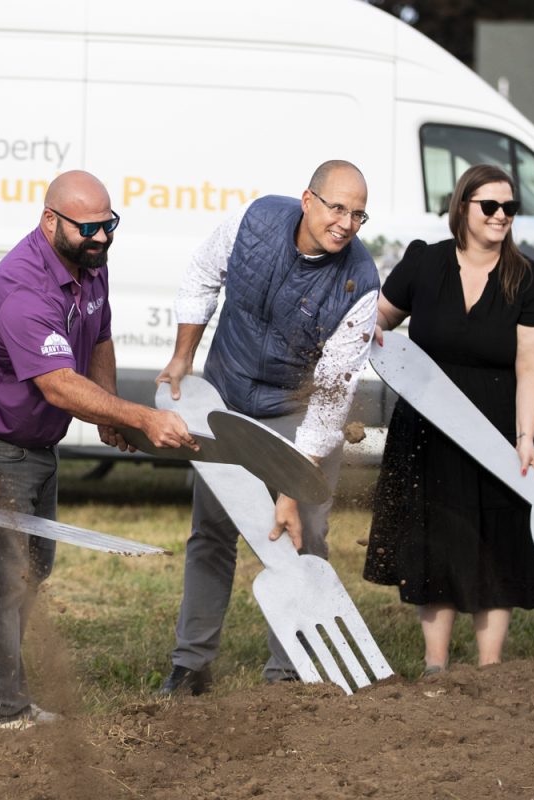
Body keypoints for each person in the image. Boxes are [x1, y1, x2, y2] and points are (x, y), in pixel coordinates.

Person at [0, 170, 195, 735]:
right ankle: (3, 714)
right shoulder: (23, 289)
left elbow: (99, 334)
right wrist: (141, 416)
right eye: (89, 228)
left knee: (32, 568)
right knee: (0, 577)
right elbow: (57, 384)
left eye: (109, 225)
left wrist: (107, 409)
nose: (102, 238)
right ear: (50, 220)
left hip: (35, 443)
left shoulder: (88, 266)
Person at [155, 160, 380, 695]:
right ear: (308, 200)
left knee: (302, 535)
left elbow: (330, 395)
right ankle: (191, 665)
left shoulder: (361, 284)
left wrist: (289, 487)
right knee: (211, 532)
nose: (346, 223)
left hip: (297, 408)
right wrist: (182, 357)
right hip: (227, 393)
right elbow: (203, 275)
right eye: (337, 208)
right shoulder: (253, 223)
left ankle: (289, 672)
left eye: (358, 214)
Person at [364, 164, 534, 674]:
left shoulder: (532, 278)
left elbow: (532, 366)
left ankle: (490, 671)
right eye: (490, 206)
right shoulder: (425, 263)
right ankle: (435, 669)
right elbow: (380, 317)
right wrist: (371, 336)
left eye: (509, 208)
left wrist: (525, 437)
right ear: (462, 207)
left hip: (502, 423)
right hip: (430, 424)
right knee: (436, 540)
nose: (501, 216)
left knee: (498, 540)